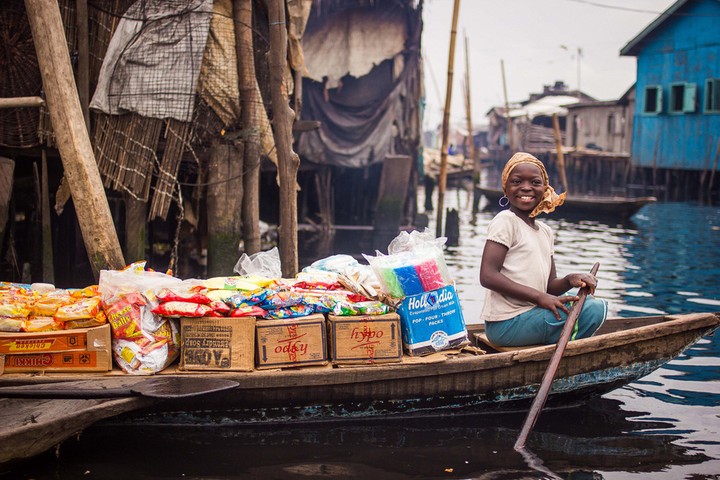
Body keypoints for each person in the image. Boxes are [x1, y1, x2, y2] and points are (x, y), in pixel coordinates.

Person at [479, 152, 607, 347]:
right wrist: (540, 298)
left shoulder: (545, 232)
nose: (526, 187)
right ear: (505, 189)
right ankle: (568, 352)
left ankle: (562, 347)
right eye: (516, 181)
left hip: (531, 316)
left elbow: (548, 288)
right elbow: (487, 276)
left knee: (591, 306)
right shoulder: (506, 221)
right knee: (593, 310)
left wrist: (569, 280)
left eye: (535, 183)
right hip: (506, 324)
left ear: (545, 189)